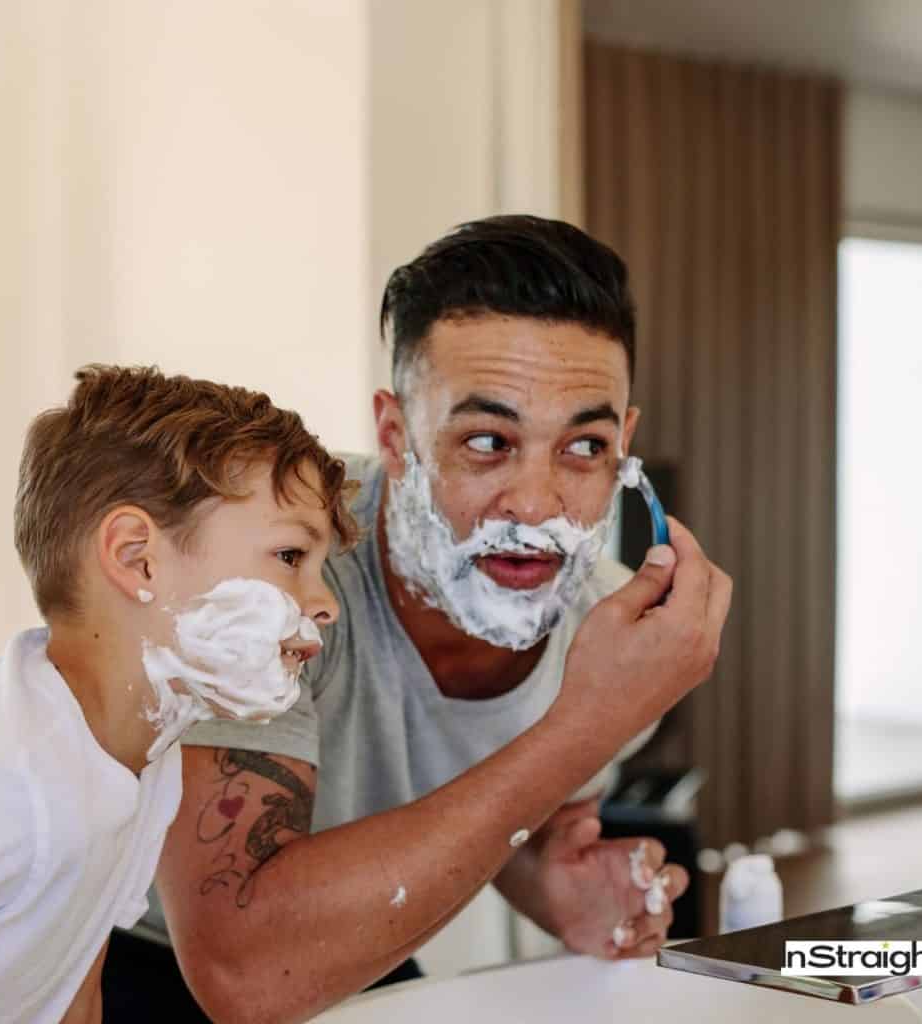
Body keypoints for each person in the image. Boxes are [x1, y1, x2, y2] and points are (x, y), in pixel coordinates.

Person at [128, 216, 732, 1023]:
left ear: (624, 443)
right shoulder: (270, 566)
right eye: (487, 440)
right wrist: (586, 727)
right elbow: (242, 972)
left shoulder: (613, 632)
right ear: (395, 434)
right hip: (121, 949)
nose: (536, 505)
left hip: (335, 942)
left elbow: (517, 808)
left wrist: (559, 878)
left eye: (583, 448)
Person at [0, 365, 356, 1023]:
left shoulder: (148, 764)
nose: (325, 606)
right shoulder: (6, 788)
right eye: (291, 556)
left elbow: (74, 988)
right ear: (137, 559)